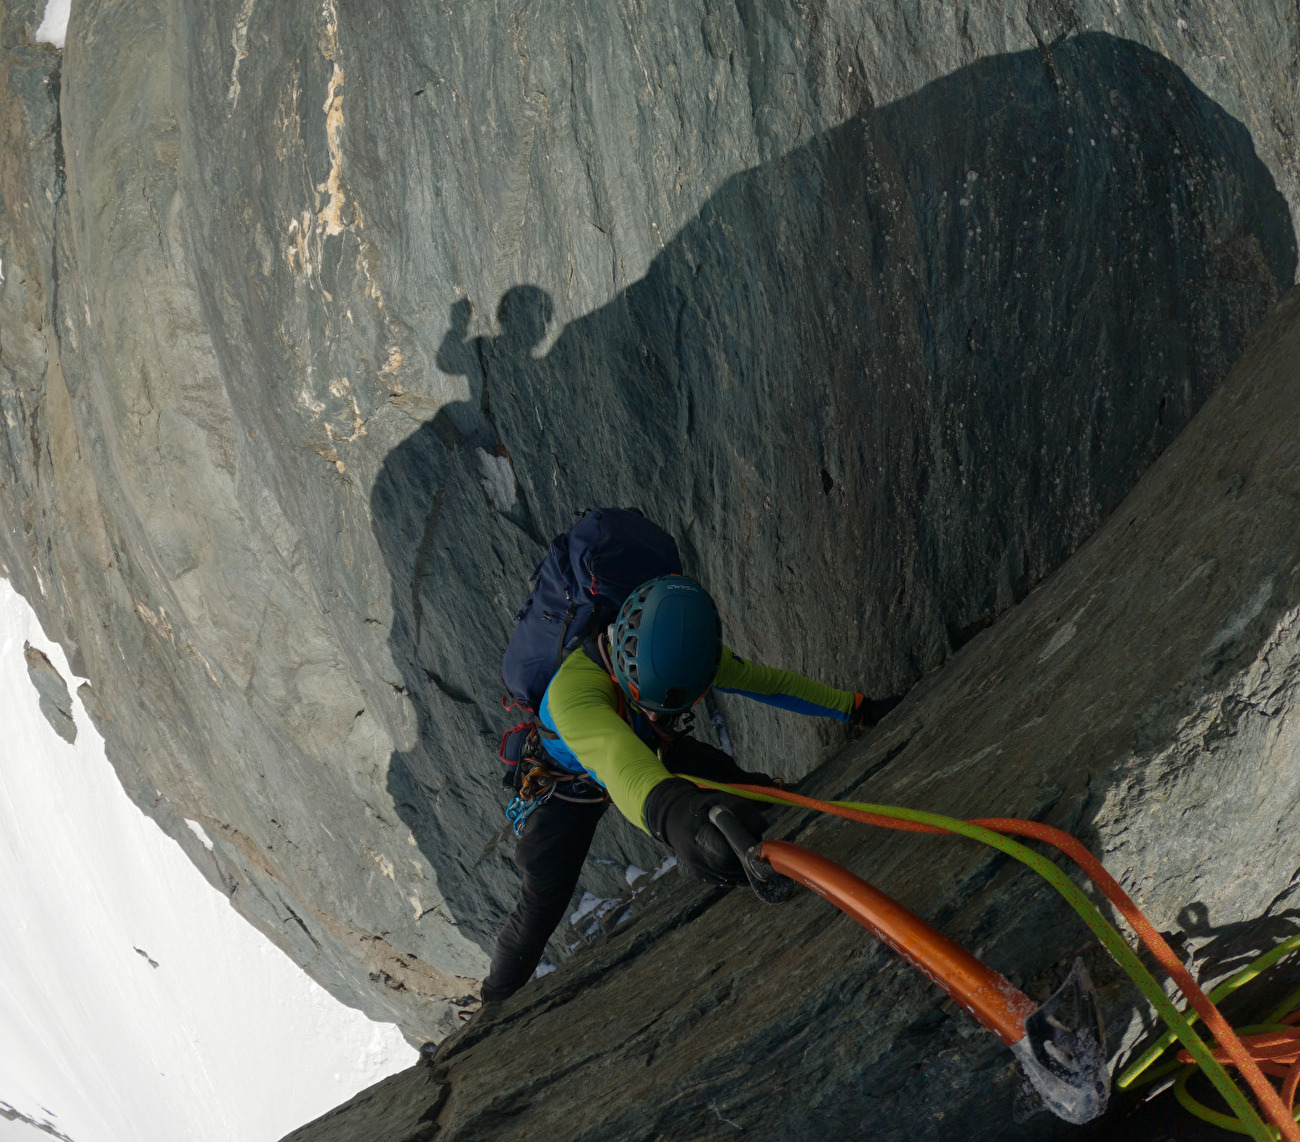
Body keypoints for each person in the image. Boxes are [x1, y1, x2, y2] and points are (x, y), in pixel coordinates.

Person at [481, 573, 901, 1003]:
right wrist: (677, 819)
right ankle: (495, 998)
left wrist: (859, 709)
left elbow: (770, 683)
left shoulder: (686, 652)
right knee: (541, 904)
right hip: (569, 786)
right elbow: (616, 760)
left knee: (739, 794)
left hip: (645, 745)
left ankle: (777, 798)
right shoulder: (574, 696)